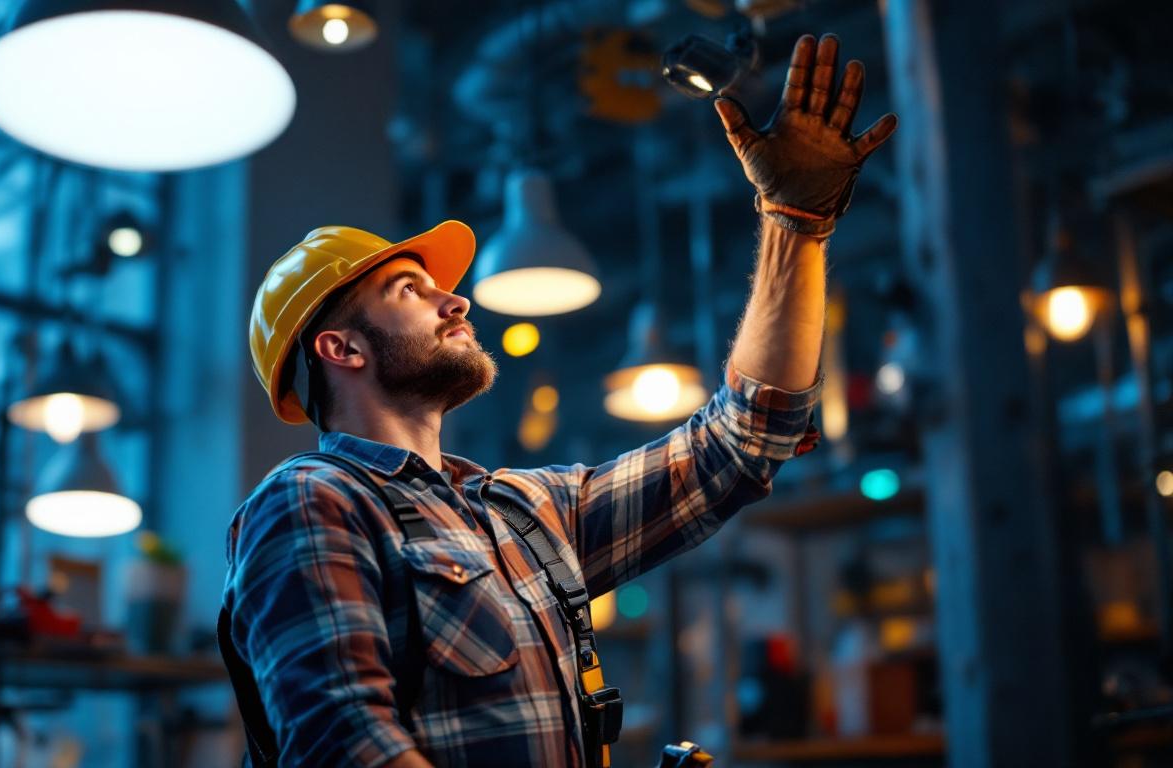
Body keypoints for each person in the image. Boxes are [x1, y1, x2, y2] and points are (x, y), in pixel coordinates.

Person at [220, 33, 896, 768]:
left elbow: (742, 440)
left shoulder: (522, 511)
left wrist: (793, 226)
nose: (454, 300)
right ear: (341, 350)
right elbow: (346, 745)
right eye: (409, 292)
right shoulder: (310, 503)